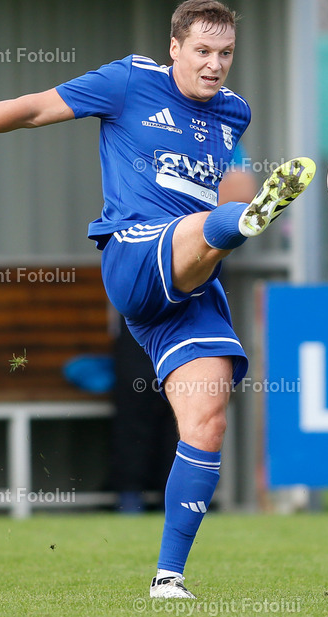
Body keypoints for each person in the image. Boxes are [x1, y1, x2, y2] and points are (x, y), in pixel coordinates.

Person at [0, 0, 315, 599]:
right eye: (202, 51)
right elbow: (33, 108)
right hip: (134, 253)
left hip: (188, 288)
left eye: (225, 53)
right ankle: (240, 222)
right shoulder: (129, 81)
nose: (215, 64)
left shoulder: (233, 113)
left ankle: (169, 579)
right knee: (214, 225)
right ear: (174, 48)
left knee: (207, 420)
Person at [109, 153, 256, 514]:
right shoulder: (140, 131)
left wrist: (190, 204)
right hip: (148, 266)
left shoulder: (220, 131)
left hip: (201, 272)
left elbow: (244, 198)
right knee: (136, 390)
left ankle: (175, 496)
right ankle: (129, 493)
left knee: (197, 398)